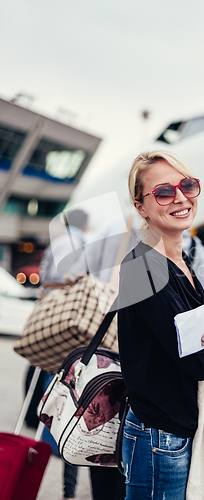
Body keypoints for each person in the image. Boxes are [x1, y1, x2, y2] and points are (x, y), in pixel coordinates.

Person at [117, 150, 204, 499]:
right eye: (164, 192)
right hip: (159, 436)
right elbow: (200, 361)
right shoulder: (145, 267)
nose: (180, 197)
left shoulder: (178, 261)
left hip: (175, 429)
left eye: (187, 185)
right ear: (140, 206)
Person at [39, 209, 89, 500]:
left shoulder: (55, 242)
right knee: (72, 387)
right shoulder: (83, 241)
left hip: (48, 311)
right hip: (70, 316)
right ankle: (68, 485)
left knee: (52, 378)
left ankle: (47, 435)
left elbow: (45, 276)